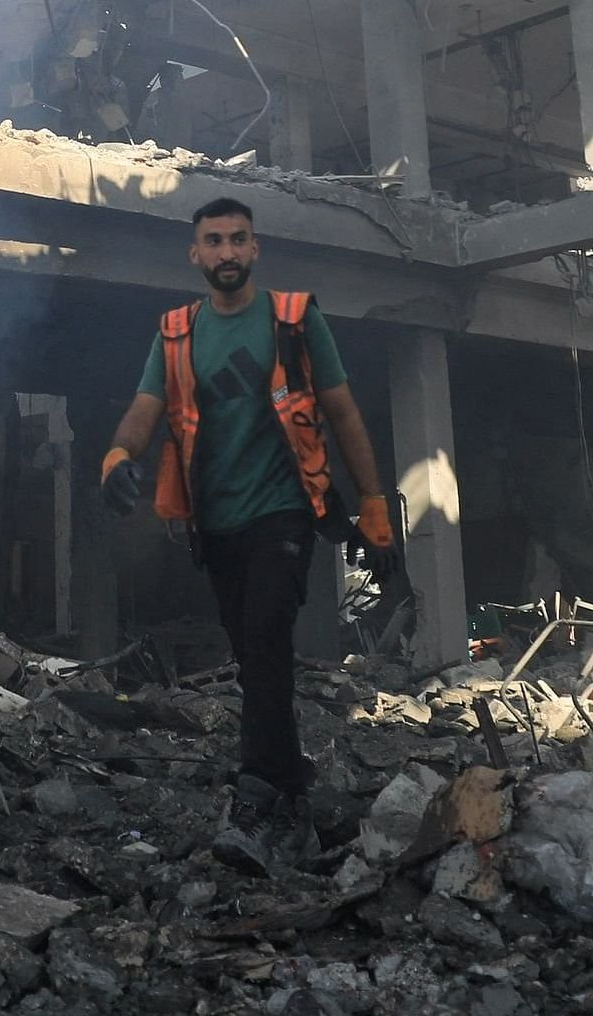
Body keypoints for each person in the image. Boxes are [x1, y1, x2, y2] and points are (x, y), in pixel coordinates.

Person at [96, 196, 397, 819]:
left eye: (238, 240)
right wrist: (117, 455)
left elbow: (342, 411)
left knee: (264, 641)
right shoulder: (177, 333)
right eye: (214, 241)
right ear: (196, 254)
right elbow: (143, 409)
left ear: (255, 248)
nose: (227, 252)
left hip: (283, 511)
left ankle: (262, 782)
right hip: (216, 524)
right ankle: (289, 773)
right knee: (251, 652)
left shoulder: (293, 320)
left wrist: (372, 502)